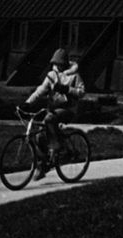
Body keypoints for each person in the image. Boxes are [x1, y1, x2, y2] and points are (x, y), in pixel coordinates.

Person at [23, 48, 85, 179]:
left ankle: (56, 147)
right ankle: (42, 166)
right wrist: (28, 103)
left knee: (50, 119)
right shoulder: (52, 75)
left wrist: (66, 89)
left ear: (65, 63)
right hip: (54, 108)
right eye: (55, 63)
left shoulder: (74, 75)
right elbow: (40, 90)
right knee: (40, 135)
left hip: (68, 109)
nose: (58, 66)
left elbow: (81, 92)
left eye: (60, 63)